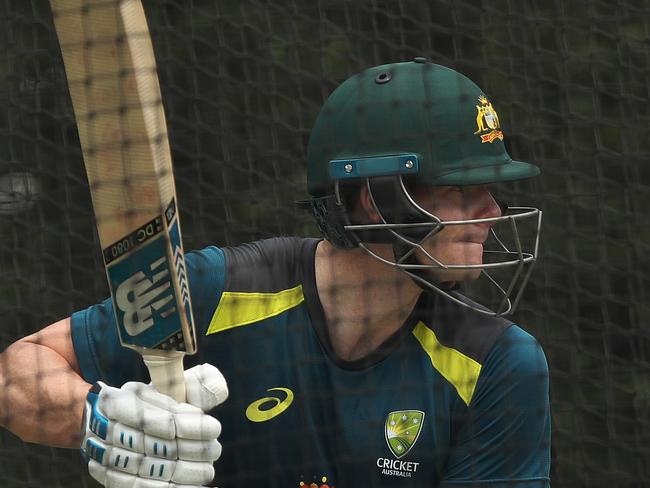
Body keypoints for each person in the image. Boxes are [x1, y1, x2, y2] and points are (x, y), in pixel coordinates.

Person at [0, 58, 550, 487]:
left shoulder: (498, 364)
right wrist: (104, 424)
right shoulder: (220, 290)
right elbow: (15, 377)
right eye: (461, 190)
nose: (494, 213)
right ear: (377, 202)